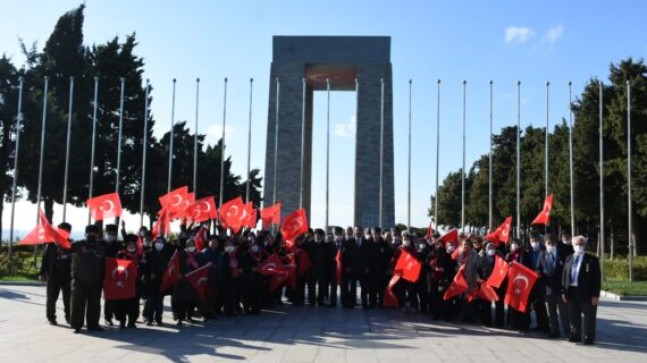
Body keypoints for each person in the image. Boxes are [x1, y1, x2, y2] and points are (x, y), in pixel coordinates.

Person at [562, 236, 601, 345]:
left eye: (581, 244)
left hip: (587, 293)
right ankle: (575, 335)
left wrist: (595, 295)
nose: (579, 246)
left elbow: (596, 279)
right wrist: (564, 292)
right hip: (571, 291)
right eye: (576, 244)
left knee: (589, 316)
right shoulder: (569, 258)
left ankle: (589, 336)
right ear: (573, 246)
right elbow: (565, 275)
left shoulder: (592, 260)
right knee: (573, 315)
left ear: (584, 245)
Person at [69, 225, 106, 333]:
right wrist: (58, 240)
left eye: (94, 234)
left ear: (97, 235)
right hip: (80, 280)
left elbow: (106, 262)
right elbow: (65, 249)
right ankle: (76, 325)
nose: (91, 236)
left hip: (96, 281)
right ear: (85, 234)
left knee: (94, 304)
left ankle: (93, 324)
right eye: (89, 234)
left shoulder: (101, 247)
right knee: (77, 304)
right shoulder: (78, 244)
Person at [536, 234, 570, 338]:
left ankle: (567, 331)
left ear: (556, 244)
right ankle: (554, 330)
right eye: (548, 243)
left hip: (560, 288)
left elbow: (567, 270)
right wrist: (538, 272)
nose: (550, 245)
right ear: (545, 244)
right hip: (548, 288)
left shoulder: (563, 254)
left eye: (552, 243)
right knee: (551, 312)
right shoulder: (541, 255)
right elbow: (538, 268)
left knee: (563, 312)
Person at [39, 222, 73, 326]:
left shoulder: (72, 244)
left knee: (69, 300)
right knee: (51, 299)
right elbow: (45, 260)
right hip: (53, 276)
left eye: (66, 231)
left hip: (68, 276)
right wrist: (42, 273)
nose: (64, 233)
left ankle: (69, 317)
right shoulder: (51, 244)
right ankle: (51, 318)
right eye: (61, 230)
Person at [113, 235, 141, 329]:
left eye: (133, 244)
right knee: (122, 302)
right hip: (123, 283)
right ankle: (122, 321)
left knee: (134, 303)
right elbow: (115, 267)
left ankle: (132, 321)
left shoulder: (139, 255)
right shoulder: (120, 254)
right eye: (129, 244)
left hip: (135, 283)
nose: (131, 246)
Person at [141, 236, 167, 326]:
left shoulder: (166, 254)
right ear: (154, 243)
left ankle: (158, 318)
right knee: (150, 301)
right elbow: (143, 267)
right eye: (157, 242)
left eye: (161, 242)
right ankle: (148, 318)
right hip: (150, 281)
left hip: (161, 281)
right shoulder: (148, 253)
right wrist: (149, 273)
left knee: (159, 301)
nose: (159, 243)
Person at [340, 226, 362, 308]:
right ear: (345, 232)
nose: (349, 232)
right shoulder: (342, 240)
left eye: (350, 231)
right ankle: (344, 302)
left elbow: (354, 255)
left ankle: (352, 302)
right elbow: (343, 255)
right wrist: (346, 266)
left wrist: (351, 266)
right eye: (347, 231)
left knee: (353, 285)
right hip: (344, 267)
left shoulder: (353, 241)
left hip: (353, 267)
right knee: (344, 286)